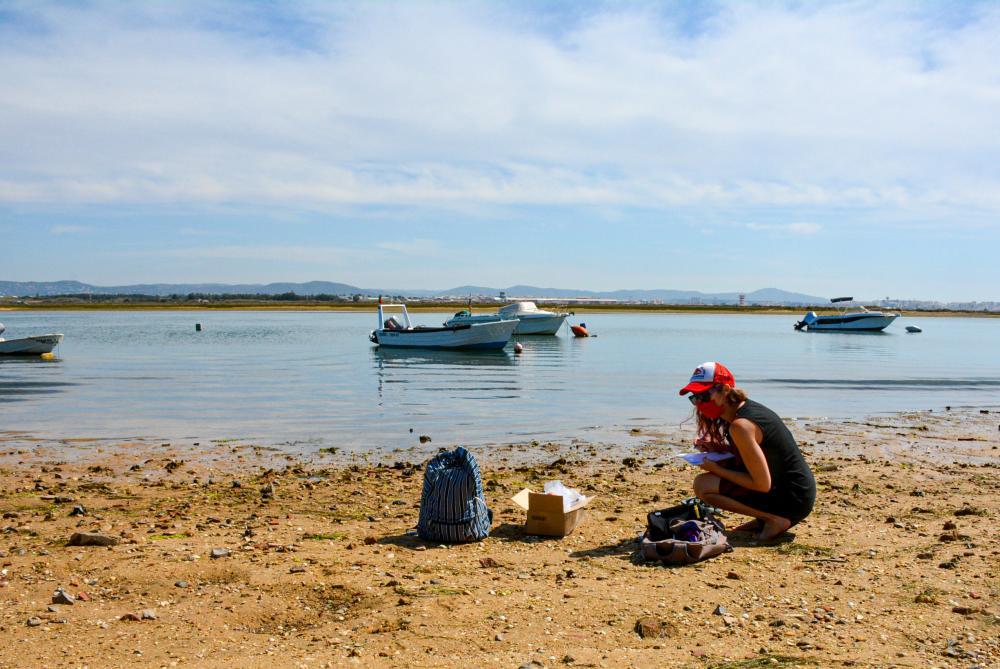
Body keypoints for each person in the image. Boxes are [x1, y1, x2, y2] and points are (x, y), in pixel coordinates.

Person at [679, 361, 816, 541]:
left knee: (703, 485)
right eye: (694, 397)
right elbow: (759, 456)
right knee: (711, 480)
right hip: (798, 492)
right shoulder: (744, 412)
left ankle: (774, 519)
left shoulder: (741, 426)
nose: (698, 403)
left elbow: (761, 484)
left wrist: (715, 468)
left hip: (792, 498)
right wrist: (720, 449)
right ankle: (764, 519)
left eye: (703, 396)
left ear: (725, 390)